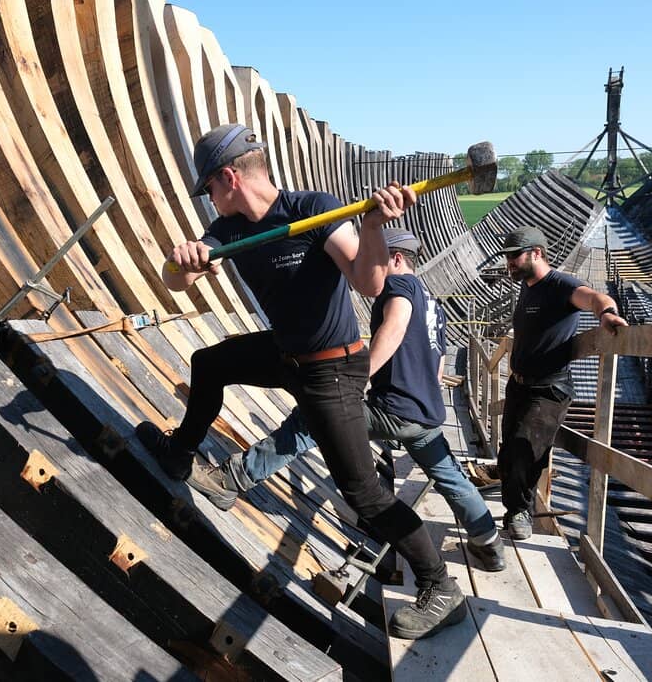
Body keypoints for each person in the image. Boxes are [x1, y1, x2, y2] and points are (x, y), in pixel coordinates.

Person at [135, 124, 465, 639]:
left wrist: (374, 227)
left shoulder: (314, 208)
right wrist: (181, 261)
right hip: (287, 354)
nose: (210, 201)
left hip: (334, 369)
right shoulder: (229, 230)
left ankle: (440, 585)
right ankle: (181, 452)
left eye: (209, 190)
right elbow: (178, 282)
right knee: (210, 362)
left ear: (229, 177)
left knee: (364, 494)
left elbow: (369, 281)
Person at [188, 227, 506, 572]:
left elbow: (395, 327)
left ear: (397, 259)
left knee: (313, 419)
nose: (371, 267)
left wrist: (360, 377)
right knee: (450, 476)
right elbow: (440, 361)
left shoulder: (400, 286)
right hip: (426, 413)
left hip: (393, 409)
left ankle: (231, 479)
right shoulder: (434, 305)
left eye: (379, 260)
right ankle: (488, 544)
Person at [495, 226, 628, 540]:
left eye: (515, 256)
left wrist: (606, 314)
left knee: (525, 451)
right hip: (519, 385)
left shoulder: (560, 284)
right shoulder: (528, 286)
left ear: (537, 253)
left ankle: (518, 515)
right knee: (508, 455)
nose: (509, 263)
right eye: (508, 257)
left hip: (548, 389)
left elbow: (595, 296)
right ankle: (517, 512)